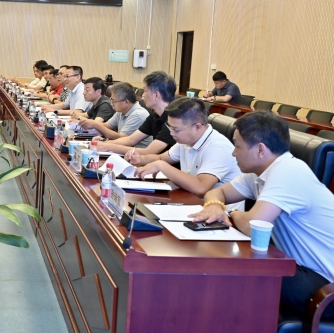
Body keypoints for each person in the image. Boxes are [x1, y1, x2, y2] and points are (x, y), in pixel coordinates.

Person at [190, 111, 334, 322]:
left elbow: (252, 226)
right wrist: (214, 205)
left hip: (324, 284)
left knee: (229, 275)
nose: (233, 153)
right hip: (298, 268)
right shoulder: (259, 173)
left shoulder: (288, 171)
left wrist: (231, 213)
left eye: (237, 146)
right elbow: (216, 192)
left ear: (260, 149)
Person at [131, 97, 242, 199]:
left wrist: (161, 166)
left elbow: (201, 188)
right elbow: (161, 158)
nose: (171, 133)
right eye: (170, 128)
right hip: (190, 200)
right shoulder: (187, 140)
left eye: (176, 129)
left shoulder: (218, 147)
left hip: (219, 210)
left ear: (197, 127)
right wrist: (140, 158)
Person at [95, 71, 177, 156]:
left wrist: (109, 147)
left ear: (156, 95)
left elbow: (148, 152)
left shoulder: (173, 119)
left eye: (145, 91)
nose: (143, 96)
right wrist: (105, 143)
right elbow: (131, 139)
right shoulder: (154, 115)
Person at [86, 82, 151, 147]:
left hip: (135, 151)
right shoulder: (121, 111)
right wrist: (92, 124)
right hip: (122, 149)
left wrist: (96, 125)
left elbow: (122, 138)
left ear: (126, 102)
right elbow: (106, 126)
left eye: (113, 101)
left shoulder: (138, 115)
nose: (111, 104)